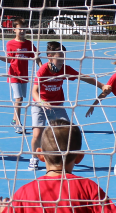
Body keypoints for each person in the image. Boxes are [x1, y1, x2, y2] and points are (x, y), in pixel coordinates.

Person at [29, 41, 101, 171]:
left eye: (64, 56)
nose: (63, 60)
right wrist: (42, 102)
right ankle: (34, 158)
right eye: (60, 57)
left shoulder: (64, 69)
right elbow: (34, 91)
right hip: (39, 104)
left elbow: (82, 77)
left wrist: (101, 86)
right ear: (50, 57)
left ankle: (66, 158)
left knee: (67, 132)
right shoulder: (43, 70)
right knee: (37, 134)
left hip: (57, 105)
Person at [0, 18, 39, 132]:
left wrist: (42, 66)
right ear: (14, 30)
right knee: (18, 98)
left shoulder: (29, 44)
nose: (22, 31)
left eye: (24, 29)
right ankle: (18, 124)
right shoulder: (10, 43)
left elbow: (35, 56)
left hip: (24, 75)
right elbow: (9, 60)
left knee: (21, 99)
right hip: (13, 75)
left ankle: (14, 120)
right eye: (20, 29)